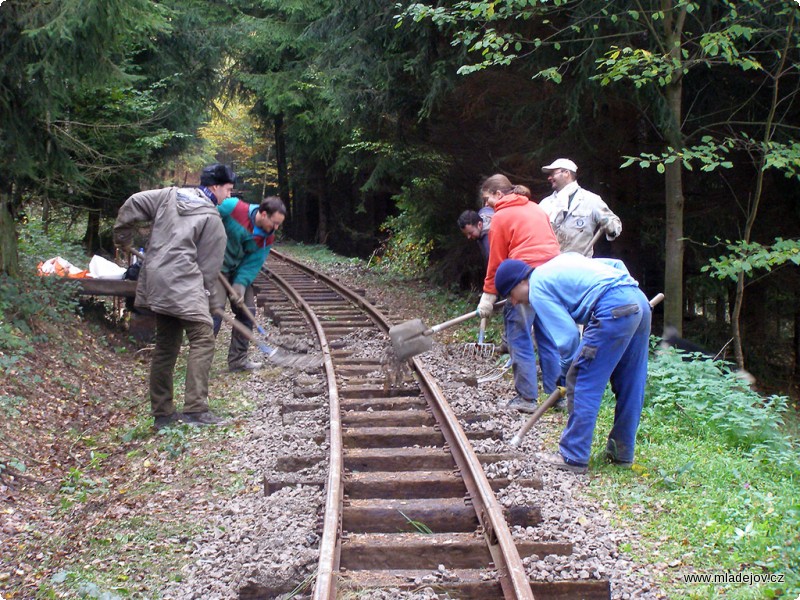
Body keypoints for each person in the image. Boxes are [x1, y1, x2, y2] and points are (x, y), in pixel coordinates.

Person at [494, 255, 652, 473]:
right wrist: (626, 295)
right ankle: (621, 454)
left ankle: (573, 456)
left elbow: (568, 338)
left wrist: (569, 370)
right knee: (631, 383)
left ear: (521, 282)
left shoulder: (537, 288)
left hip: (613, 308)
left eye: (510, 295)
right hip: (638, 299)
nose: (513, 302)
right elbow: (617, 264)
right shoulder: (561, 262)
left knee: (581, 380)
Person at [113, 163, 234, 429]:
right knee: (203, 337)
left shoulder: (168, 195)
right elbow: (209, 269)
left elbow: (133, 201)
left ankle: (163, 414)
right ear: (215, 187)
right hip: (183, 282)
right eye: (227, 189)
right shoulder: (212, 219)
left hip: (155, 280)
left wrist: (122, 235)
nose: (229, 195)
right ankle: (195, 409)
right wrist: (208, 299)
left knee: (167, 345)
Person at [476, 174, 563, 413]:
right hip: (552, 277)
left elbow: (497, 261)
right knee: (548, 337)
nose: (487, 205)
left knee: (519, 336)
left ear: (498, 194)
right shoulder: (536, 209)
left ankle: (526, 398)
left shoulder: (501, 217)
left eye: (488, 199)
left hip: (523, 280)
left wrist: (488, 295)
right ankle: (558, 396)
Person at [213, 195, 287, 371]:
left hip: (237, 270)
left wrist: (240, 284)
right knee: (215, 311)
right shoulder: (233, 208)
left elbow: (252, 264)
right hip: (216, 267)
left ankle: (238, 361)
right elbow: (205, 220)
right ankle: (202, 359)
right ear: (262, 214)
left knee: (247, 311)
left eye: (279, 224)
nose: (275, 228)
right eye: (274, 223)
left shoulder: (267, 238)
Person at [539, 159, 622, 256]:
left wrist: (609, 225)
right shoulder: (545, 204)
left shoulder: (591, 200)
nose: (549, 178)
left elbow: (615, 226)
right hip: (550, 264)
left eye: (553, 174)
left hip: (581, 265)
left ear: (566, 173)